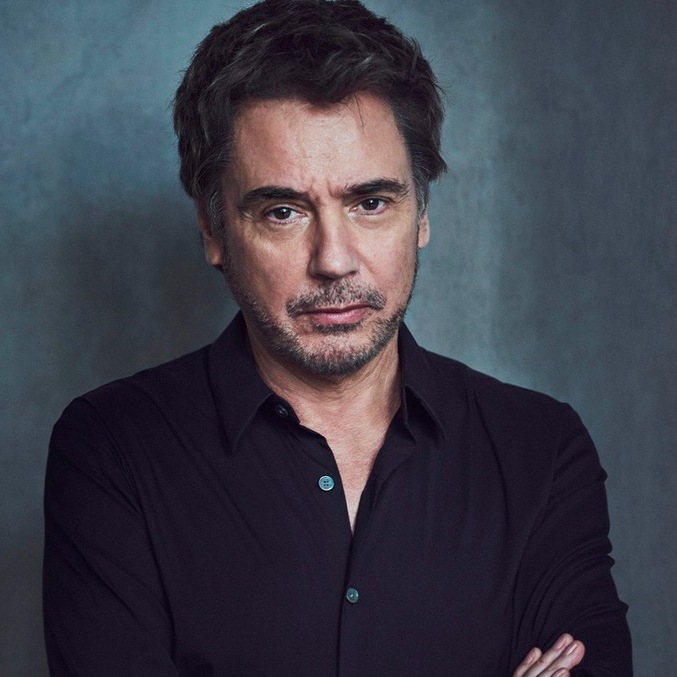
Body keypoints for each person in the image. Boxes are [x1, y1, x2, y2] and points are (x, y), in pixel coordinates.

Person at [43, 0, 632, 675]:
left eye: (370, 203)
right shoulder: (112, 449)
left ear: (421, 213)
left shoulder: (540, 450)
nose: (334, 260)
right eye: (283, 211)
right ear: (213, 230)